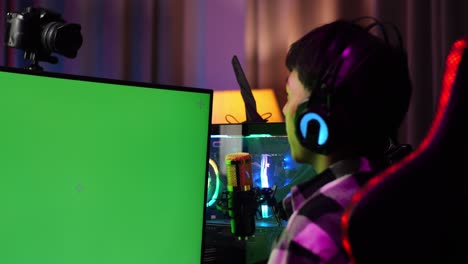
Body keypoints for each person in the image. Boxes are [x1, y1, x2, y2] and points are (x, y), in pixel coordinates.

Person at [267, 17, 412, 263]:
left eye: (290, 95)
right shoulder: (397, 201)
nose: (284, 110)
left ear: (315, 120)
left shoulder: (312, 231)